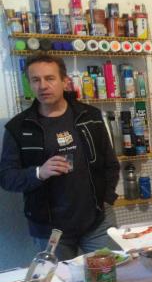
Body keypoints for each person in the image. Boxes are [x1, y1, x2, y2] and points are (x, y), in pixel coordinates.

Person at [0, 54, 120, 261]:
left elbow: (110, 163)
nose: (42, 86)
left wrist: (107, 198)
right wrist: (39, 172)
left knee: (109, 273)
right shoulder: (18, 127)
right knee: (58, 281)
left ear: (65, 81)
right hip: (50, 231)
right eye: (35, 80)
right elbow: (6, 177)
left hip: (97, 222)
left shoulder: (90, 116)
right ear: (30, 84)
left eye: (50, 78)